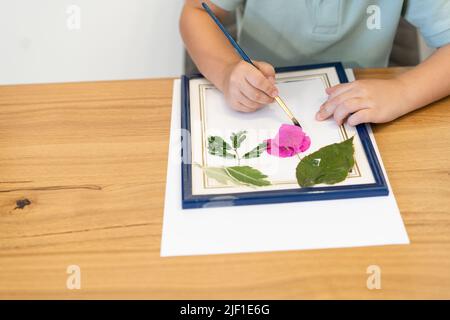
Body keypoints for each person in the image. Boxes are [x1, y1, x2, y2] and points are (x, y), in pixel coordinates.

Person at [180, 0, 450, 126]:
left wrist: (402, 91)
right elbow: (195, 13)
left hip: (365, 114)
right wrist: (227, 71)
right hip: (259, 103)